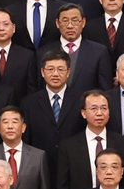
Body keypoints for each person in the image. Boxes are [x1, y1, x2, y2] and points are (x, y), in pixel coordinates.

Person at [20, 49, 85, 180]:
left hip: (74, 166)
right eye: (50, 69)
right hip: (39, 168)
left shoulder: (81, 100)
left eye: (60, 69)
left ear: (68, 72)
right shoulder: (28, 103)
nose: (55, 74)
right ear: (42, 72)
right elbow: (26, 139)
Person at [37, 2, 114, 97]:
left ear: (83, 22)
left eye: (75, 20)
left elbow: (105, 90)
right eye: (65, 21)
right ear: (57, 23)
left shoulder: (99, 52)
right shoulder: (43, 52)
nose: (70, 26)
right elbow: (38, 89)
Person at [0, 8, 38, 97]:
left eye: (6, 24)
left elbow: (31, 89)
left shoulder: (27, 56)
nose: (1, 28)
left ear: (13, 28)